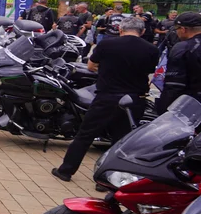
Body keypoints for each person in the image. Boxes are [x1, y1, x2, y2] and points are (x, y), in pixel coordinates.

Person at [52, 16, 159, 182]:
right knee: (120, 141)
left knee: (85, 135)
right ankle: (107, 179)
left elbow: (91, 66)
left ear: (120, 29)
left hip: (106, 97)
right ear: (143, 31)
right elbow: (149, 71)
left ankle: (66, 170)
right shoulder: (151, 49)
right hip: (133, 99)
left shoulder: (107, 44)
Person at [156, 12, 201, 113]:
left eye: (177, 29)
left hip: (190, 105)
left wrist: (163, 109)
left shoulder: (184, 47)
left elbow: (174, 84)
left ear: (183, 29)